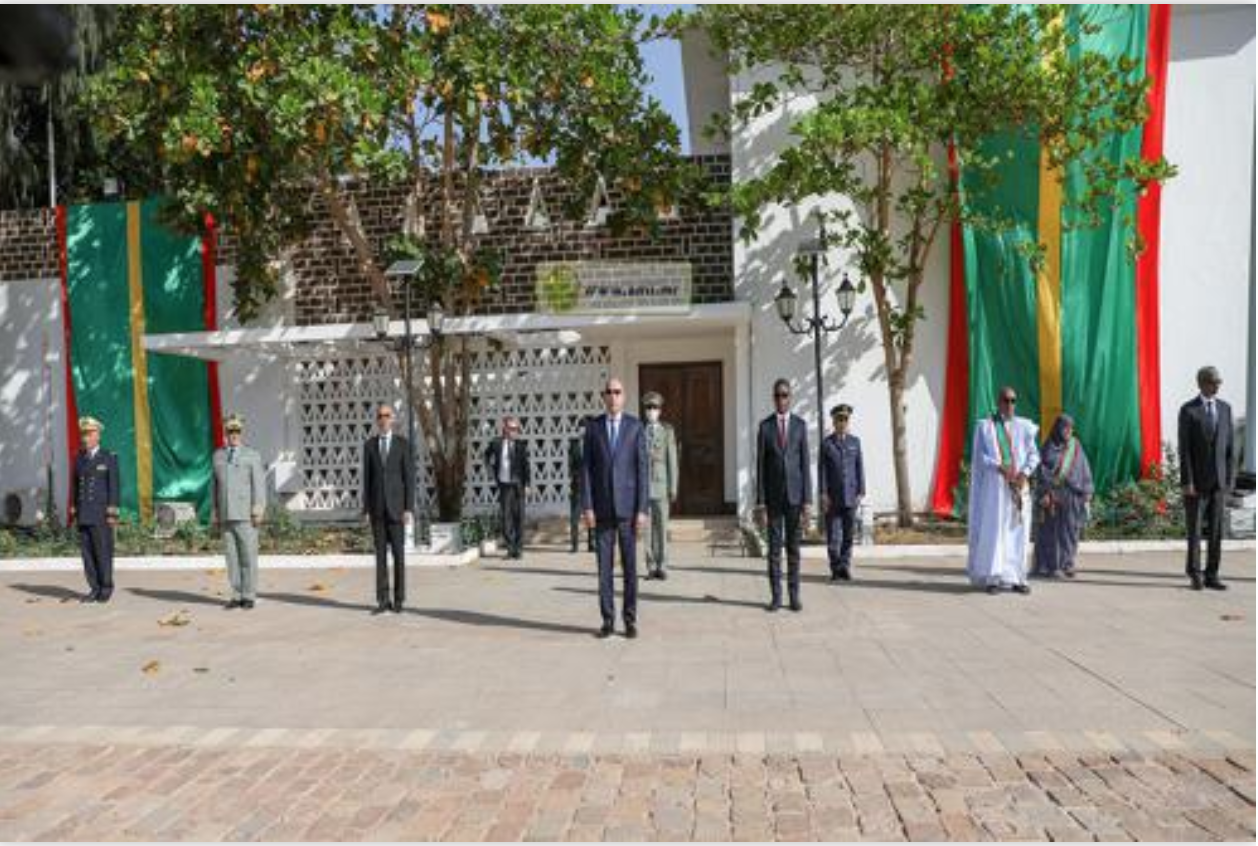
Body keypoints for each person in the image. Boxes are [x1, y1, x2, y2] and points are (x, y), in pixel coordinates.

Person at [581, 377, 649, 639]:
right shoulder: (594, 428)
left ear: (624, 396)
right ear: (603, 396)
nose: (612, 396)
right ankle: (608, 620)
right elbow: (586, 470)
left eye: (617, 392)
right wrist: (587, 506)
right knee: (604, 570)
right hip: (602, 511)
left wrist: (642, 509)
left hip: (629, 512)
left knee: (630, 570)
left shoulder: (635, 427)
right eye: (608, 392)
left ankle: (630, 620)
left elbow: (642, 470)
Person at [966, 387, 1040, 595]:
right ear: (998, 402)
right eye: (1006, 400)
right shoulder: (987, 427)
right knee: (996, 531)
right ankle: (993, 577)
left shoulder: (1025, 427)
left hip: (1019, 486)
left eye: (1013, 401)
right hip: (996, 488)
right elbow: (980, 457)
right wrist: (999, 467)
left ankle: (1017, 577)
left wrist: (1024, 474)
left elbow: (1034, 455)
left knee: (1018, 532)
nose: (1010, 405)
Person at [755, 378, 811, 612]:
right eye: (777, 395)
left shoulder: (800, 425)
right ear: (773, 398)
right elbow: (760, 466)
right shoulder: (765, 426)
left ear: (791, 397)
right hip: (774, 499)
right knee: (774, 550)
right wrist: (761, 502)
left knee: (794, 549)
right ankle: (776, 597)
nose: (781, 399)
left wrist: (808, 500)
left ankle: (794, 596)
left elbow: (805, 464)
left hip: (796, 498)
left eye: (785, 395)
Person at [1178, 365, 1234, 591]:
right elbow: (1185, 450)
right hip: (1196, 484)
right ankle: (1195, 573)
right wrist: (1187, 481)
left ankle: (1212, 574)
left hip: (1219, 483)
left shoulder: (1225, 409)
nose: (1217, 386)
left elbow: (1230, 448)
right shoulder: (1188, 410)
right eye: (1213, 382)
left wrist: (1229, 480)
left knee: (1216, 531)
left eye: (1218, 382)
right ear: (1201, 383)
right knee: (1195, 531)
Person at [361, 403, 414, 614]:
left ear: (393, 419)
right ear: (377, 420)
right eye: (380, 416)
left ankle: (399, 599)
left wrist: (408, 508)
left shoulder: (402, 444)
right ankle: (383, 600)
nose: (383, 419)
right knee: (380, 557)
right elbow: (367, 480)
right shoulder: (369, 446)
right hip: (377, 509)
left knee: (399, 555)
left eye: (387, 415)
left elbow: (409, 478)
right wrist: (365, 509)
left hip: (397, 509)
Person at [211, 414, 267, 609]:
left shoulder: (252, 455)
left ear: (241, 433)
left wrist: (258, 508)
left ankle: (249, 595)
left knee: (248, 556)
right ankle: (236, 594)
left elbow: (259, 484)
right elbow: (215, 487)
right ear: (226, 433)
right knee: (231, 557)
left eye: (237, 431)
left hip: (245, 514)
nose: (233, 435)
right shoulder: (218, 455)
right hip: (226, 513)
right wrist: (215, 511)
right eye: (230, 431)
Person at [1032, 414, 1093, 579]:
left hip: (1073, 496)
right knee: (1052, 532)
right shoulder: (1048, 446)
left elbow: (1084, 468)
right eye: (1065, 427)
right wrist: (1045, 493)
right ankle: (1051, 566)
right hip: (1054, 496)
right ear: (1058, 428)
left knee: (1070, 531)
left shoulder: (1076, 446)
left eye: (1071, 428)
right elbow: (1042, 471)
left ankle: (1068, 563)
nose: (1068, 431)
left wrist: (1087, 490)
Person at [69, 416, 119, 603]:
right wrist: (74, 508)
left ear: (98, 435)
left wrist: (112, 513)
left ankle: (106, 587)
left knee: (103, 551)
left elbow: (113, 485)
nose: (85, 438)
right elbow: (75, 485)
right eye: (84, 434)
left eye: (89, 434)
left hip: (100, 514)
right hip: (84, 512)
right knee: (87, 554)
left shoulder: (108, 457)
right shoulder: (79, 458)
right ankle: (94, 588)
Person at [819, 403, 864, 582]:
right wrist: (823, 493)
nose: (842, 422)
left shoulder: (855, 442)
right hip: (832, 497)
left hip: (851, 495)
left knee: (848, 534)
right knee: (833, 536)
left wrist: (861, 490)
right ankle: (835, 567)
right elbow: (822, 470)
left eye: (845, 419)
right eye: (839, 419)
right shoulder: (826, 443)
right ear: (834, 421)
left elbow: (859, 467)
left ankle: (844, 567)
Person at [642, 391, 679, 580]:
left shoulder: (667, 431)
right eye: (648, 407)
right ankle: (650, 566)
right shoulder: (639, 431)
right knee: (647, 531)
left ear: (660, 410)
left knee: (662, 528)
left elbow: (672, 460)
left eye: (654, 407)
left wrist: (673, 487)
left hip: (662, 485)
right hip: (644, 488)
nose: (651, 411)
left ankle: (662, 565)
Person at [485, 415, 531, 560]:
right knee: (506, 519)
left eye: (516, 428)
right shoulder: (496, 443)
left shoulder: (521, 445)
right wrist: (491, 470)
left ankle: (519, 549)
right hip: (504, 485)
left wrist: (528, 484)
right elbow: (486, 456)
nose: (514, 431)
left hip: (518, 485)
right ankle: (510, 549)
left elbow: (526, 467)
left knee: (519, 518)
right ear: (504, 428)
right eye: (511, 428)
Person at [568, 416, 595, 554]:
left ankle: (592, 543)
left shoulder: (594, 443)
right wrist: (570, 480)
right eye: (580, 426)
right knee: (574, 517)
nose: (582, 428)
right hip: (577, 485)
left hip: (591, 486)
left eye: (585, 426)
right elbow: (570, 465)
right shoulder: (573, 443)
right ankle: (574, 545)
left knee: (592, 515)